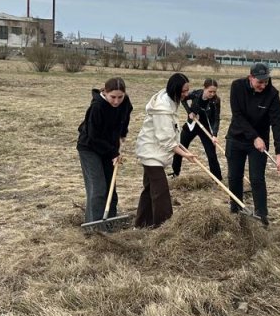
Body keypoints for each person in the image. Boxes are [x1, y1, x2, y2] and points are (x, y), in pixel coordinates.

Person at [226, 63, 280, 226]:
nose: (263, 85)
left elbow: (277, 123)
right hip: (236, 138)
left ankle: (261, 215)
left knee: (257, 178)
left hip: (260, 143)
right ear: (250, 78)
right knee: (234, 176)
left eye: (266, 81)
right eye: (260, 82)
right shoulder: (237, 87)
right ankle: (236, 211)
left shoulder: (272, 94)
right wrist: (254, 136)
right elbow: (237, 115)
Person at [133, 73, 194, 228]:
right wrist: (185, 154)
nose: (186, 94)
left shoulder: (171, 101)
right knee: (161, 191)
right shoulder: (162, 108)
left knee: (149, 189)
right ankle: (164, 227)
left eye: (187, 90)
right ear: (174, 89)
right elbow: (166, 140)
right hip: (151, 152)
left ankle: (142, 224)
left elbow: (171, 133)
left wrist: (181, 148)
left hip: (156, 151)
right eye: (183, 91)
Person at [76, 77, 132, 224]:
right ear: (105, 92)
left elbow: (126, 114)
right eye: (113, 97)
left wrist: (122, 134)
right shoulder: (97, 107)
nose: (116, 101)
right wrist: (113, 153)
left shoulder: (125, 101)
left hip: (109, 147)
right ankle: (93, 225)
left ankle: (110, 222)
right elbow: (93, 137)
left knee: (110, 187)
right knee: (98, 188)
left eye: (120, 97)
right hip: (89, 148)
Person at [171, 78, 222, 179]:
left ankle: (217, 178)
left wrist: (214, 134)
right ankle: (175, 172)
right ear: (204, 88)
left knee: (211, 154)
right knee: (180, 147)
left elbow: (216, 118)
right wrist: (189, 112)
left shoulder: (216, 101)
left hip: (205, 128)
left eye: (214, 92)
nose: (212, 94)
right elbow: (183, 99)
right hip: (192, 125)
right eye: (210, 91)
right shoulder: (196, 94)